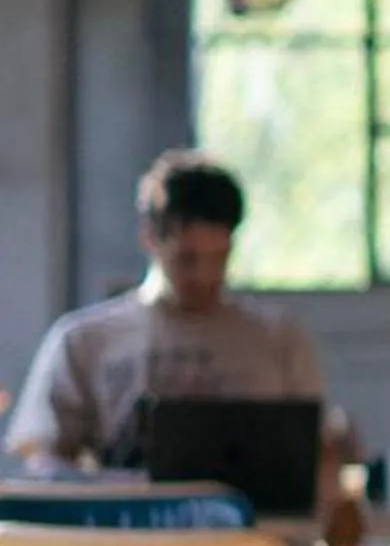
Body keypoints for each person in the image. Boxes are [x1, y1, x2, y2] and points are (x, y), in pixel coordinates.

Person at [6, 151, 326, 471]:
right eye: (187, 258)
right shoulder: (83, 341)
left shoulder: (277, 337)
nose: (204, 276)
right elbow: (41, 452)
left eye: (219, 258)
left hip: (255, 519)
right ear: (149, 239)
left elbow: (317, 449)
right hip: (125, 515)